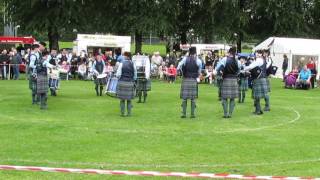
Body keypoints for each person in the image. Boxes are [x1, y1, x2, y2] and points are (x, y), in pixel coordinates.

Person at [215, 47, 241, 118]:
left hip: (226, 79)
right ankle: (230, 114)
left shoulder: (224, 59)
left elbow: (218, 68)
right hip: (234, 80)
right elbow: (239, 71)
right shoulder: (237, 61)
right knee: (232, 98)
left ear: (229, 52)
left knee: (224, 98)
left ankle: (225, 114)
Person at [177, 47, 202, 118]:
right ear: (195, 52)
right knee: (193, 98)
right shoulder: (199, 61)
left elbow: (179, 66)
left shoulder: (185, 59)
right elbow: (199, 72)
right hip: (194, 80)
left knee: (184, 98)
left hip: (186, 79)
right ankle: (192, 114)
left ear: (189, 52)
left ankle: (184, 114)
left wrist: (182, 72)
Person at [244, 50, 269, 115]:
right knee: (258, 96)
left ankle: (258, 110)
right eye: (256, 54)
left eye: (258, 54)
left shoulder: (259, 60)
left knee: (257, 96)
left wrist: (243, 68)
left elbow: (250, 67)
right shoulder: (262, 60)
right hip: (262, 78)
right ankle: (259, 109)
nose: (256, 55)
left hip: (258, 79)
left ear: (261, 54)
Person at [116, 52, 137, 117]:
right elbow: (135, 75)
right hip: (130, 82)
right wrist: (133, 80)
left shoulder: (121, 63)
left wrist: (118, 78)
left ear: (126, 56)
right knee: (129, 99)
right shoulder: (133, 64)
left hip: (122, 82)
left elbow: (118, 74)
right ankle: (129, 114)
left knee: (122, 99)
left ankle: (122, 114)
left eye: (124, 55)